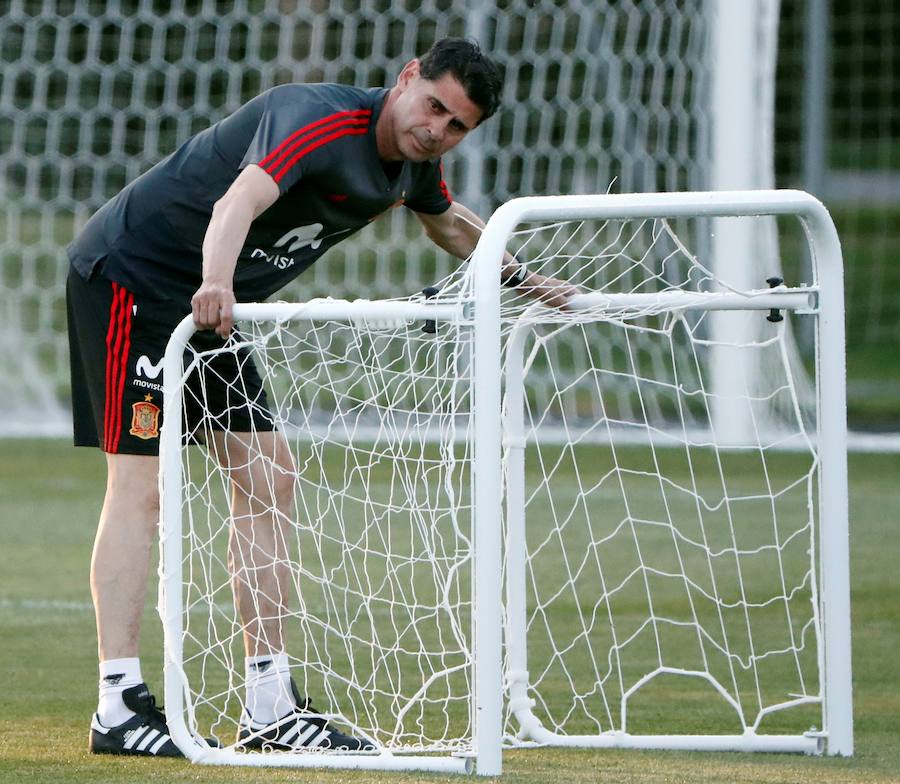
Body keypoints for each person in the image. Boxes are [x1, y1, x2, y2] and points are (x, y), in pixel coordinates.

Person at [67, 36, 576, 757]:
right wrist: (214, 282)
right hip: (135, 279)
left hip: (216, 305)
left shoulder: (414, 167)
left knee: (272, 478)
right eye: (433, 107)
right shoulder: (316, 117)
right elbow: (240, 200)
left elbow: (449, 223)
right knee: (142, 485)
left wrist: (529, 282)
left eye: (457, 125)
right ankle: (118, 706)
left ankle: (270, 707)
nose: (437, 130)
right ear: (406, 80)